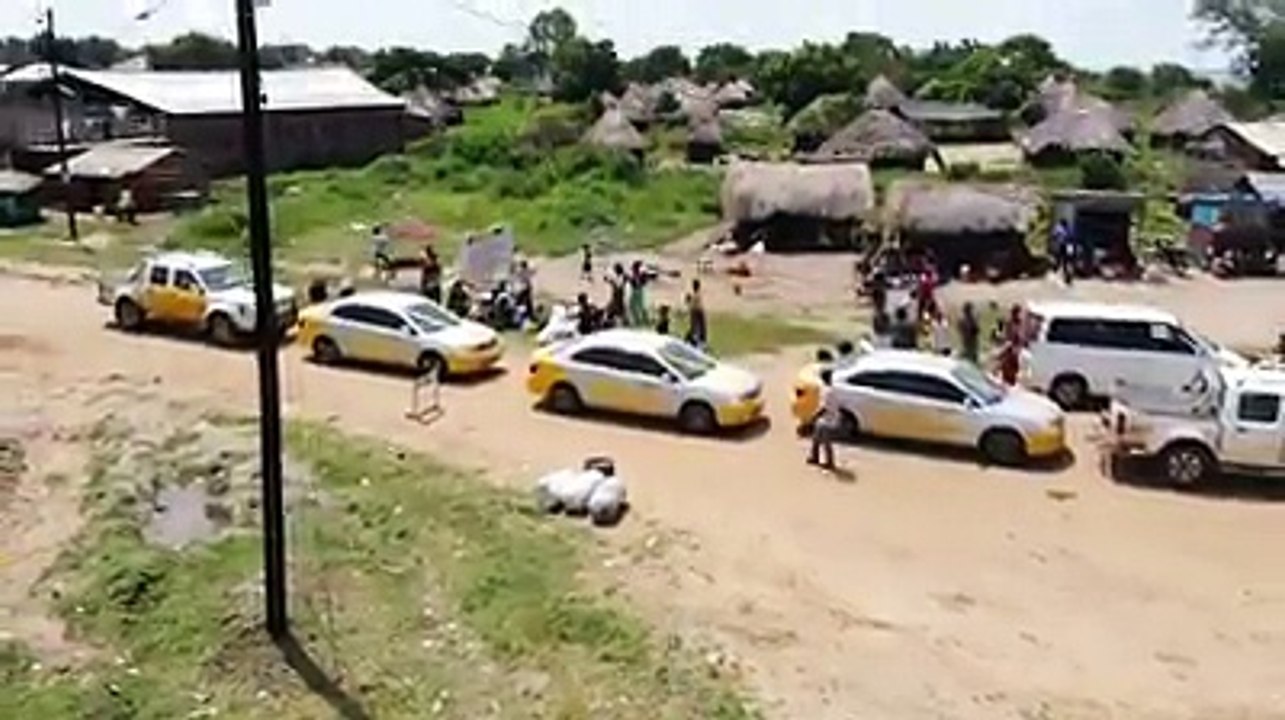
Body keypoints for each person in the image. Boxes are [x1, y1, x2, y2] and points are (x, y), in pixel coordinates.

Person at [807, 369, 840, 471]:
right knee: (816, 439)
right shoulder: (831, 389)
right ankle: (815, 458)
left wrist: (813, 417)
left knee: (826, 442)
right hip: (825, 420)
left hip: (827, 421)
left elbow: (824, 408)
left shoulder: (828, 392)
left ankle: (830, 462)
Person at [685, 278, 707, 348]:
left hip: (697, 310)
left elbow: (691, 303)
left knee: (697, 326)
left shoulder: (696, 294)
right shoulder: (695, 294)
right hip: (697, 310)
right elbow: (691, 303)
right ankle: (696, 339)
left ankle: (698, 339)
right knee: (697, 326)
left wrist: (688, 300)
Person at [627, 261, 649, 327]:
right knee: (637, 306)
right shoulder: (639, 274)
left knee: (636, 306)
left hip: (637, 291)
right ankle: (641, 320)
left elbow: (643, 282)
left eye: (633, 268)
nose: (633, 269)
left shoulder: (640, 275)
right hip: (637, 291)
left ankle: (641, 320)